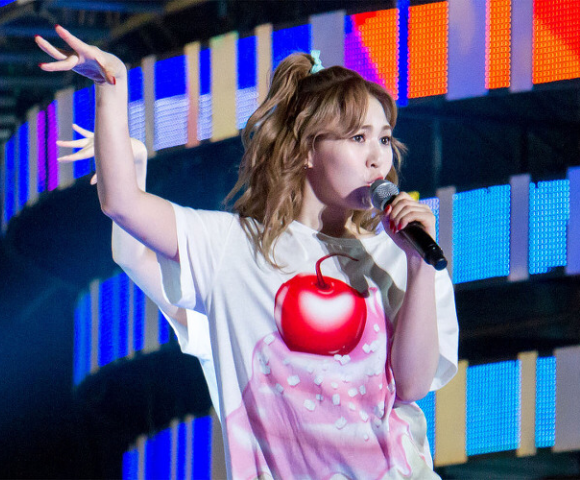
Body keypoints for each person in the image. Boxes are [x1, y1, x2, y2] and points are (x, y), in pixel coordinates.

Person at [39, 25, 458, 480]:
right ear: (307, 150)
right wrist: (112, 86)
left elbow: (411, 385)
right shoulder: (235, 248)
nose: (378, 157)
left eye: (384, 138)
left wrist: (418, 267)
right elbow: (122, 205)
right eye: (358, 138)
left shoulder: (401, 255)